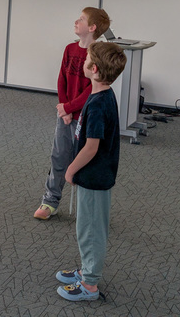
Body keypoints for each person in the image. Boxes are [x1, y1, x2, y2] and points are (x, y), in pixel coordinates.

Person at [57, 41, 126, 302]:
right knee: (85, 227)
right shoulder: (100, 95)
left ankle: (90, 285)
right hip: (92, 176)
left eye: (86, 59)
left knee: (91, 231)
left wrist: (70, 170)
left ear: (94, 69)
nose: (83, 62)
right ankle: (87, 270)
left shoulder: (98, 104)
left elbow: (91, 147)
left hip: (94, 177)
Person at [34, 7, 110, 220]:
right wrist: (63, 107)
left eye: (82, 19)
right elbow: (62, 79)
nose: (76, 21)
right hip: (65, 115)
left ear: (92, 27)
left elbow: (92, 89)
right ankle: (50, 201)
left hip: (84, 117)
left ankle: (89, 207)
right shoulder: (69, 49)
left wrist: (69, 108)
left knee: (86, 161)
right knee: (59, 157)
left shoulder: (97, 55)